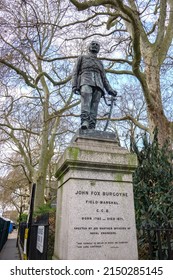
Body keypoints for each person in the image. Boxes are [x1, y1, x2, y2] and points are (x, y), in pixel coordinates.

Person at [72, 40, 117, 130]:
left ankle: (92, 125)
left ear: (99, 49)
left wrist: (110, 90)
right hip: (85, 81)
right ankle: (85, 121)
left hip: (99, 85)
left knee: (94, 106)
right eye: (93, 44)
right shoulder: (82, 57)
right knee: (86, 102)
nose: (95, 46)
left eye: (97, 45)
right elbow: (75, 72)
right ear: (89, 47)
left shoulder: (100, 63)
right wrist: (74, 85)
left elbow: (104, 78)